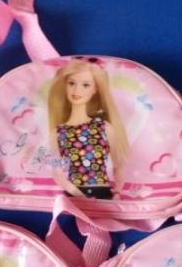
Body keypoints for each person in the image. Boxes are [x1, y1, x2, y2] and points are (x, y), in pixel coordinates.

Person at [46, 57, 128, 199]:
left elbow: (118, 165)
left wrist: (117, 192)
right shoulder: (57, 133)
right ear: (65, 85)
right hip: (74, 195)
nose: (77, 90)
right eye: (71, 83)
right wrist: (81, 197)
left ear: (95, 89)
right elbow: (57, 174)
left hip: (103, 194)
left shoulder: (104, 127)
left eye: (86, 85)